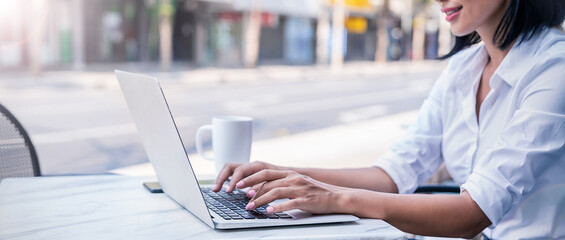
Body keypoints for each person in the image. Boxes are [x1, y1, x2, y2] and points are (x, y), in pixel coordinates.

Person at [213, 0, 565, 238]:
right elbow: (394, 173)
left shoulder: (555, 68)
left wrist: (335, 198)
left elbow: (474, 213)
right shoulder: (464, 69)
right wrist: (285, 174)